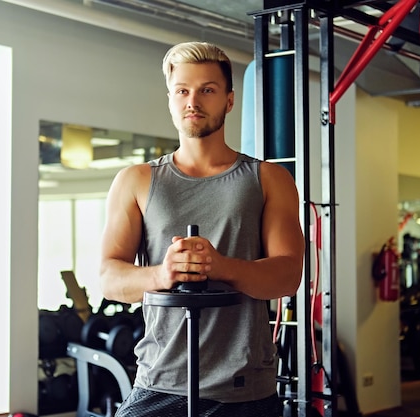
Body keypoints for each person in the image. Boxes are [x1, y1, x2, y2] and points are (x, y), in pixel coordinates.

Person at [99, 41, 305, 417]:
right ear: (170, 99)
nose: (193, 101)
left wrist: (220, 266)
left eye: (207, 90)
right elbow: (110, 280)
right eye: (183, 91)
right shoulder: (137, 180)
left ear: (228, 100)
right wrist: (163, 273)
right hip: (161, 382)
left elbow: (288, 276)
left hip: (245, 390)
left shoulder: (269, 179)